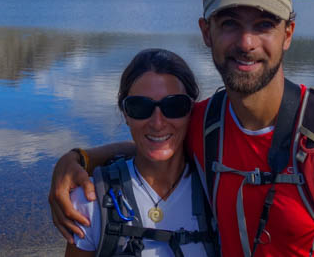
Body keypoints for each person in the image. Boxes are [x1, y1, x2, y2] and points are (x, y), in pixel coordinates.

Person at [52, 0, 314, 257]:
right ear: (206, 33)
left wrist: (81, 159)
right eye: (229, 24)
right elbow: (157, 141)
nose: (246, 43)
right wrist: (78, 159)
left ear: (288, 34)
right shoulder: (204, 124)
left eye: (264, 25)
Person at [65, 48, 217, 257]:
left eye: (173, 106)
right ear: (125, 114)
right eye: (140, 107)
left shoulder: (218, 192)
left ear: (192, 110)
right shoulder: (88, 202)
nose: (157, 123)